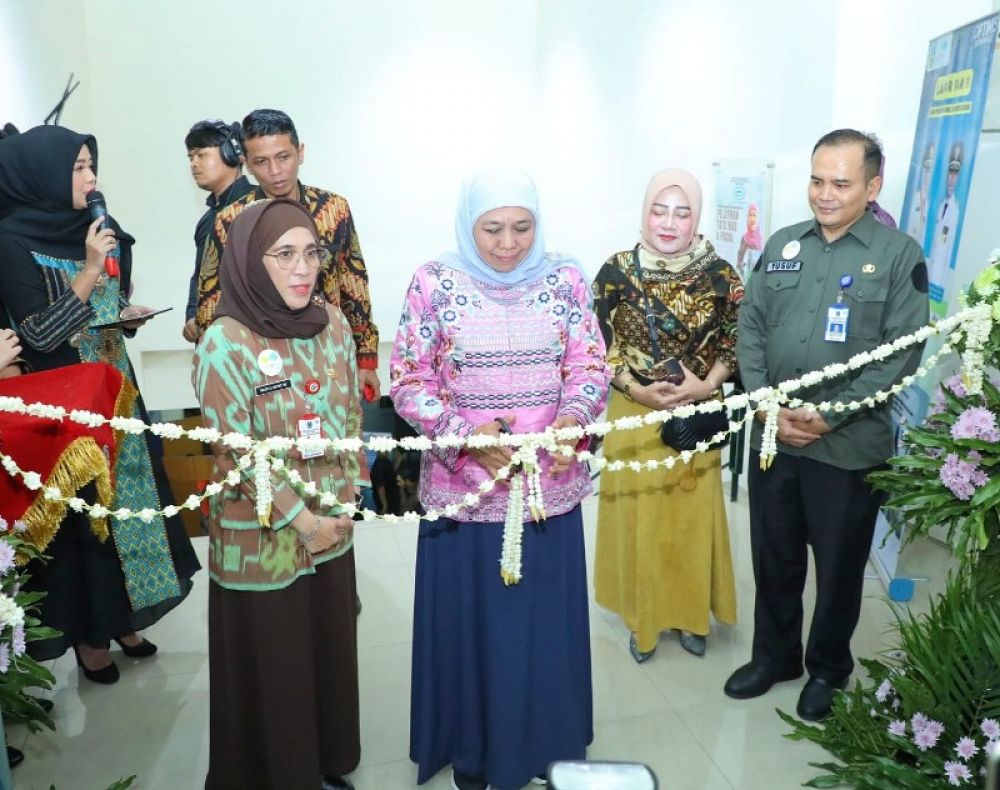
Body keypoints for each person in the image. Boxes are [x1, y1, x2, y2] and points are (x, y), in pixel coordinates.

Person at [390, 171, 610, 790]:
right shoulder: (434, 283)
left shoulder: (565, 278)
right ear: (468, 224)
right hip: (466, 496)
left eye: (522, 227)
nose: (508, 243)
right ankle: (476, 751)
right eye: (492, 229)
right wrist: (464, 435)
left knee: (539, 630)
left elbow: (589, 364)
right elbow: (408, 378)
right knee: (474, 632)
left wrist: (573, 421)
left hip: (547, 491)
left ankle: (545, 747)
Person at [726, 129, 929, 721]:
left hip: (846, 448)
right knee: (774, 555)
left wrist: (828, 415)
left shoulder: (898, 255)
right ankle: (775, 658)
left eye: (841, 183)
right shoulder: (784, 245)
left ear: (873, 185)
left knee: (839, 568)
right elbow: (752, 329)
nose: (825, 194)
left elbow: (902, 353)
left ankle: (828, 668)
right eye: (817, 180)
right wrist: (766, 403)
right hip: (774, 438)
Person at [0, 125, 200, 683]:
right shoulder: (12, 239)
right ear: (43, 172)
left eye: (93, 166)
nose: (92, 180)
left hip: (119, 388)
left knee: (132, 511)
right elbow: (38, 336)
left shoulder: (98, 230)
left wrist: (126, 316)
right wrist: (89, 269)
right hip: (66, 408)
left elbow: (106, 305)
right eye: (80, 168)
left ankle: (126, 616)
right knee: (85, 523)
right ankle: (92, 636)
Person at [193, 198, 362, 790]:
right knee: (277, 663)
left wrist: (346, 504)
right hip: (262, 541)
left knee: (326, 649)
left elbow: (348, 415)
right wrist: (303, 521)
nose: (303, 268)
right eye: (284, 254)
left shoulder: (333, 323)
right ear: (247, 261)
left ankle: (321, 762)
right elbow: (233, 453)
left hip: (330, 529)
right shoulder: (225, 342)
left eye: (311, 253)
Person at [592, 169, 741, 662]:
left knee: (690, 520)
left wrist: (708, 385)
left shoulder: (721, 274)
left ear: (697, 218)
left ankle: (692, 616)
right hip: (633, 413)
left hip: (696, 415)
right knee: (641, 519)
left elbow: (736, 342)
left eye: (683, 212)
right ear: (645, 212)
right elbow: (597, 348)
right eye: (660, 210)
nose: (669, 223)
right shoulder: (615, 272)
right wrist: (638, 388)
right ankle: (644, 620)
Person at [194, 108, 381, 400]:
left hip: (327, 346)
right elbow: (211, 295)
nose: (276, 171)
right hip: (261, 355)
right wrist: (210, 361)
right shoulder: (232, 220)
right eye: (261, 162)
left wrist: (366, 357)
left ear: (300, 152)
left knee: (332, 434)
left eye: (284, 157)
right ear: (246, 163)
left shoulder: (334, 210)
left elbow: (353, 281)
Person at [181, 119, 254, 343]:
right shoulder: (208, 219)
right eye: (190, 157)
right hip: (216, 341)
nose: (194, 163)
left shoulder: (259, 205)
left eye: (201, 155)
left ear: (231, 153)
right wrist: (192, 316)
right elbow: (200, 275)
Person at [928, 141, 963, 290]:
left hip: (942, 283)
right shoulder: (941, 205)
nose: (952, 179)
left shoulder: (956, 210)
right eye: (950, 172)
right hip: (930, 276)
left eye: (956, 174)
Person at [904, 141, 935, 249]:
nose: (928, 175)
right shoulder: (916, 198)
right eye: (927, 170)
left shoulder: (934, 201)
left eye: (931, 171)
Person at [736, 202, 763, 281]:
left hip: (757, 279)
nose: (752, 219)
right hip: (744, 279)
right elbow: (740, 257)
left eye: (754, 215)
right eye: (750, 215)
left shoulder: (761, 239)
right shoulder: (744, 238)